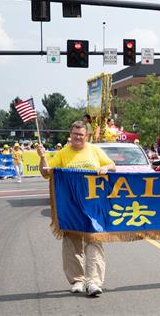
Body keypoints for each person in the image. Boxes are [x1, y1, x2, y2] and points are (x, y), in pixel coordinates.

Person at [37, 121, 116, 296]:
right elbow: (46, 172)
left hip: (93, 206)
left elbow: (112, 166)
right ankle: (77, 280)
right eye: (74, 134)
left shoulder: (94, 150)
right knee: (72, 244)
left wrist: (105, 167)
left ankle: (94, 281)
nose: (77, 137)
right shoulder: (63, 153)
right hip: (70, 206)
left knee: (94, 240)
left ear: (86, 136)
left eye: (81, 134)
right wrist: (42, 157)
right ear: (70, 135)